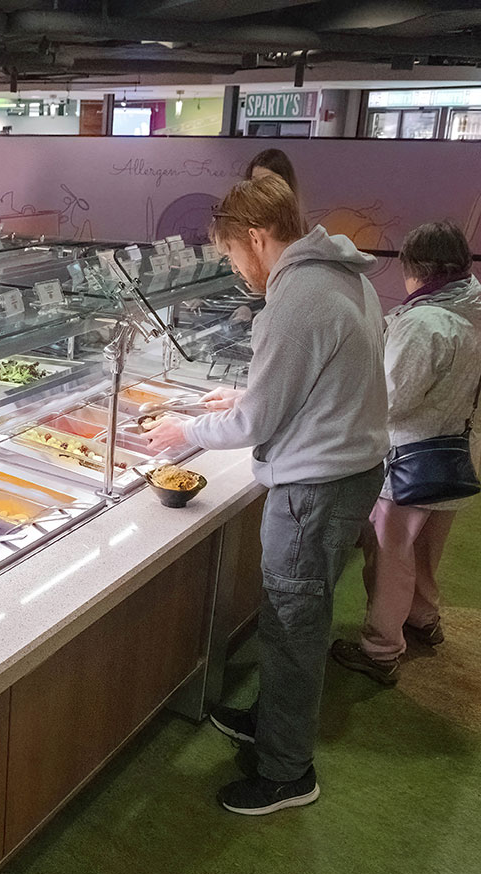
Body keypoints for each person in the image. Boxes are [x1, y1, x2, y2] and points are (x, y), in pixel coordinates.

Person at [142, 174, 389, 815]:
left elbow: (256, 424)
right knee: (292, 619)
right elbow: (323, 379)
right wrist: (248, 393)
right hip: (346, 472)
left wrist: (185, 430)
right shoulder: (345, 275)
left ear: (256, 238)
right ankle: (273, 723)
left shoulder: (295, 298)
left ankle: (287, 772)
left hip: (315, 488)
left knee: (293, 627)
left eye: (230, 254)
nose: (234, 268)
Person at [331, 222, 481, 685]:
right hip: (457, 455)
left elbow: (390, 399)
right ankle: (423, 618)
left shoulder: (424, 324)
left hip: (409, 462)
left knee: (390, 554)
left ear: (415, 268)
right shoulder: (472, 305)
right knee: (427, 550)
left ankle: (380, 649)